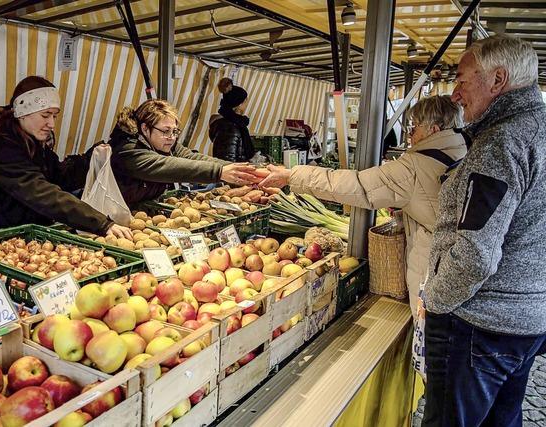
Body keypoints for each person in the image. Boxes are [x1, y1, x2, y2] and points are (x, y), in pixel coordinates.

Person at [420, 35, 546, 427]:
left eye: (461, 80)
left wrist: (436, 299)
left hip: (481, 326)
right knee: (502, 420)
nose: (455, 95)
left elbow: (475, 254)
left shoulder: (502, 142)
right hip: (527, 319)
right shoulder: (539, 128)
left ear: (498, 79)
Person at [259, 95, 467, 317]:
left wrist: (292, 175)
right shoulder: (464, 149)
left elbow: (357, 186)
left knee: (429, 340)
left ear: (433, 129)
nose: (411, 135)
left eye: (415, 128)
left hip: (433, 275)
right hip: (456, 274)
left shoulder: (416, 165)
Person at [0, 76, 132, 240]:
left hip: (26, 238)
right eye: (45, 115)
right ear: (23, 113)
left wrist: (91, 158)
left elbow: (59, 176)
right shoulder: (1, 147)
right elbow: (41, 192)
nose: (52, 124)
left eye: (54, 116)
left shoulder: (35, 143)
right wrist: (101, 223)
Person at [108, 99, 259, 208]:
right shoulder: (128, 149)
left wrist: (243, 169)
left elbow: (193, 157)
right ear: (145, 128)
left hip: (141, 210)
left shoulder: (167, 145)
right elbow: (167, 165)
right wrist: (218, 172)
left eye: (175, 131)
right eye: (165, 131)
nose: (171, 137)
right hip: (113, 214)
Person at [208, 77, 255, 162]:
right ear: (239, 104)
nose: (247, 102)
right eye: (245, 100)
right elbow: (227, 159)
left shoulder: (233, 123)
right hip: (233, 172)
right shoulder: (230, 128)